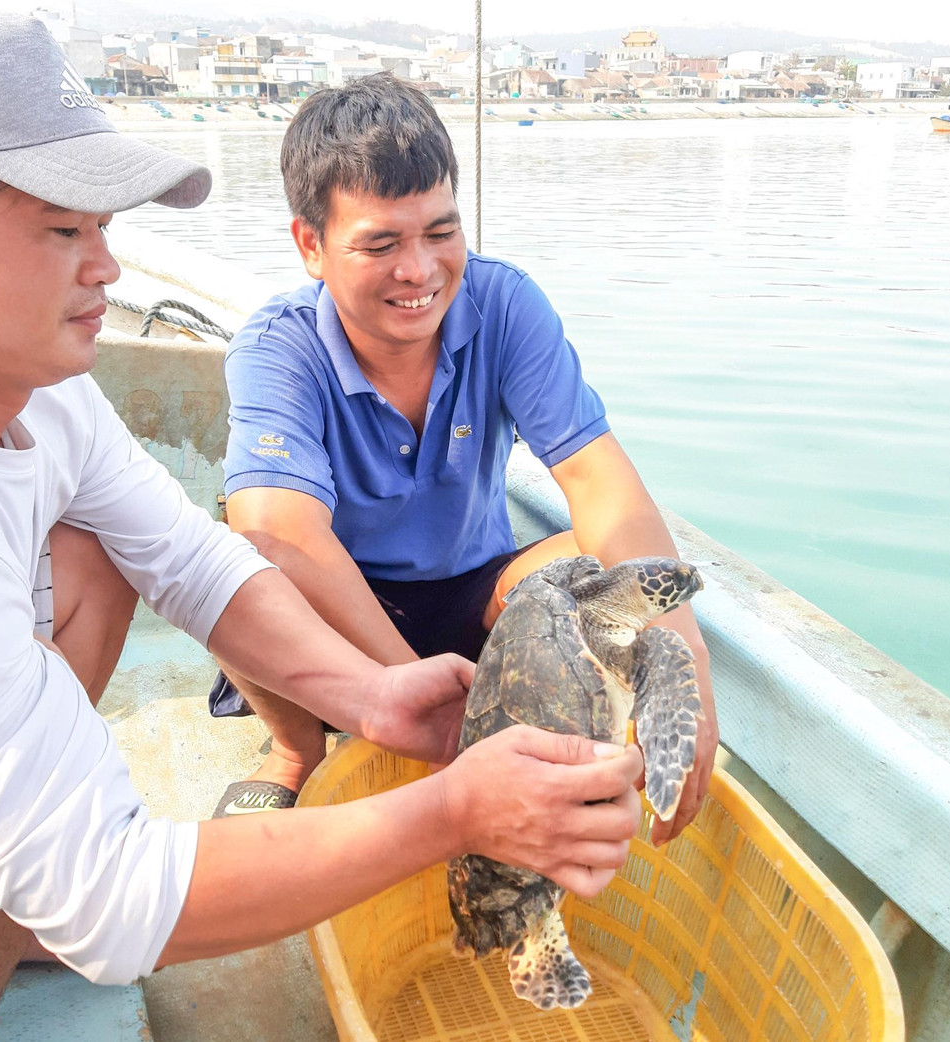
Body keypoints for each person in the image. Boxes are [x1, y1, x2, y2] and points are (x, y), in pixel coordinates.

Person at [0, 11, 644, 1016]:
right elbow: (118, 905)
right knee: (96, 909)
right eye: (63, 230)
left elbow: (187, 559)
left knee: (96, 549)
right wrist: (452, 812)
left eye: (105, 230)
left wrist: (371, 697)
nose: (107, 269)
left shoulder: (29, 380)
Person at [214, 73, 717, 844]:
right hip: (341, 608)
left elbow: (598, 481)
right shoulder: (278, 346)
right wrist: (407, 692)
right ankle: (294, 745)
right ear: (311, 245)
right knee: (228, 554)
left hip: (477, 591)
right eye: (380, 243)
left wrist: (686, 664)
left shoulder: (505, 304)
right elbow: (282, 531)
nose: (419, 271)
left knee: (596, 566)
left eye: (441, 233)